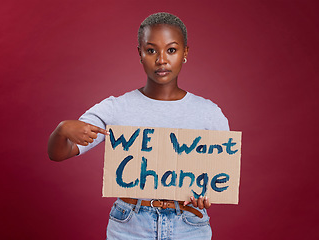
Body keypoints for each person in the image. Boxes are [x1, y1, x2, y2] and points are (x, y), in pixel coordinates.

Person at [48, 12, 229, 240]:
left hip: (189, 224)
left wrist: (206, 195)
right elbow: (58, 153)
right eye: (151, 50)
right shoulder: (115, 108)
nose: (161, 59)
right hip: (130, 224)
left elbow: (221, 178)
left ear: (185, 53)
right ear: (140, 53)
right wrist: (62, 129)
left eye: (171, 50)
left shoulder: (209, 113)